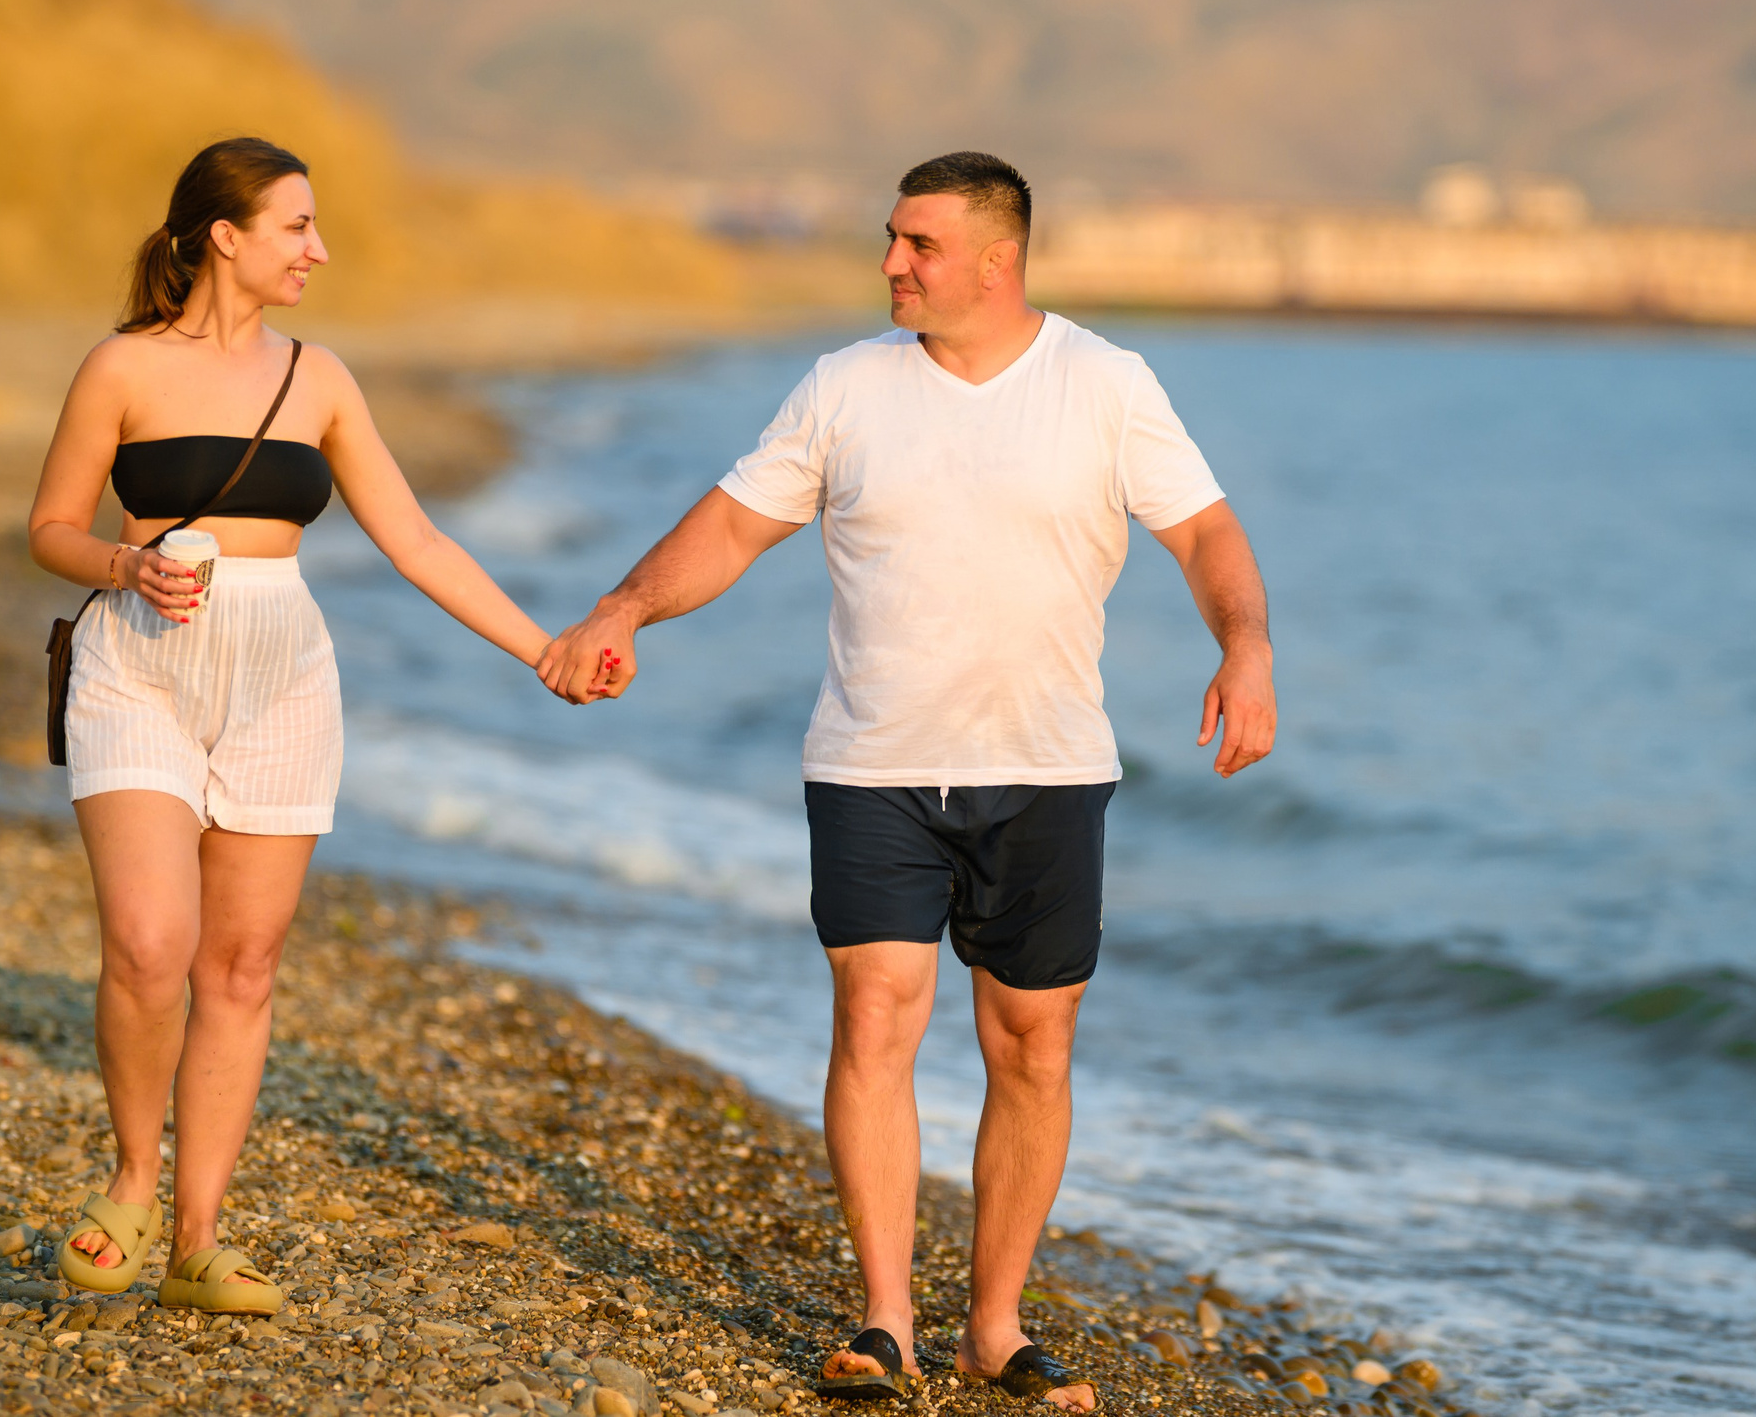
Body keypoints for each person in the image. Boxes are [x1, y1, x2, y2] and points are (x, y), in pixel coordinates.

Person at [538, 152, 1276, 1409]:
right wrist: (623, 608)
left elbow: (1202, 528)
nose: (890, 262)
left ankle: (996, 1325)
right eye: (891, 238)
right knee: (877, 1016)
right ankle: (885, 1322)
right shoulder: (842, 388)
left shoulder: (1105, 384)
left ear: (997, 259)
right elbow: (730, 525)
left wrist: (1244, 643)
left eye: (917, 245)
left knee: (1031, 1045)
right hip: (872, 763)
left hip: (1045, 766)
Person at [28, 137, 561, 1314]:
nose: (317, 249)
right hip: (139, 668)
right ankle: (130, 1180)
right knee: (149, 946)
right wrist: (124, 561)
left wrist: (541, 650)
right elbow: (52, 526)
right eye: (296, 227)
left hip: (283, 680)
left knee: (243, 964)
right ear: (226, 235)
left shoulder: (320, 378)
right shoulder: (120, 367)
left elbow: (414, 539)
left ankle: (199, 1239)